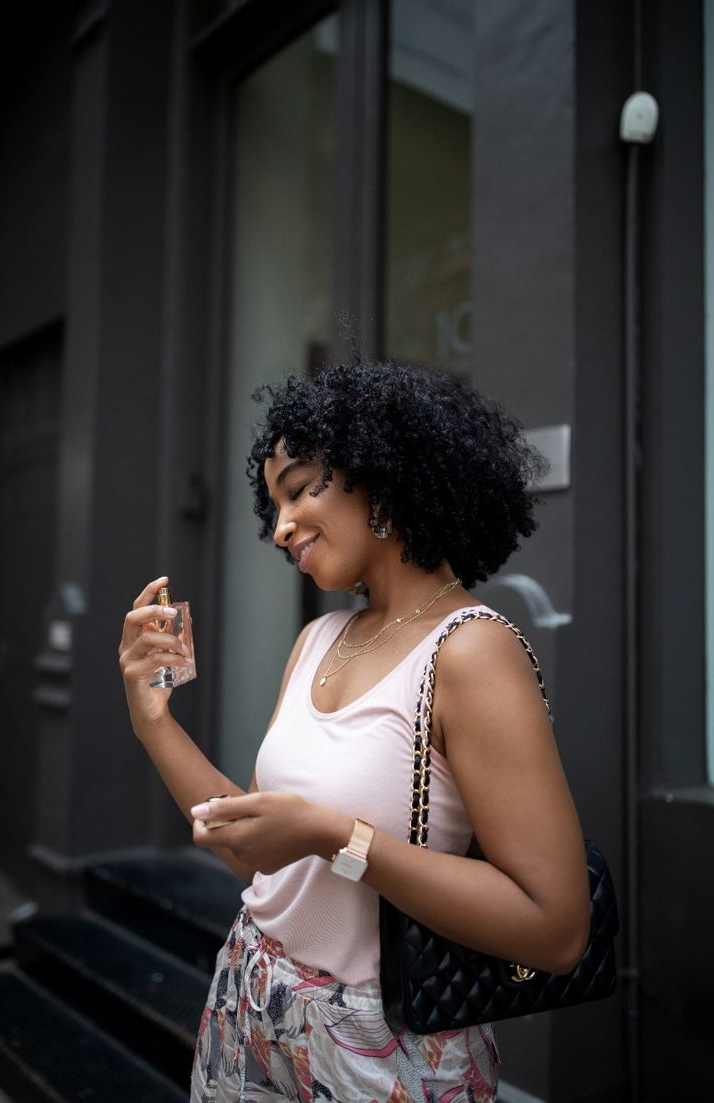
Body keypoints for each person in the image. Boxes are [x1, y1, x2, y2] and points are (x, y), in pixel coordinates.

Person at [118, 361, 589, 1103]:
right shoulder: (318, 639)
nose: (279, 528)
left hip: (384, 1044)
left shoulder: (471, 649)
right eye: (273, 503)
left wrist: (334, 835)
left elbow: (556, 926)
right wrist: (154, 721)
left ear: (385, 477)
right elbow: (266, 857)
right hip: (250, 1000)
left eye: (301, 488)